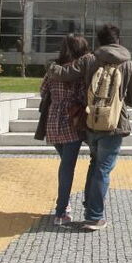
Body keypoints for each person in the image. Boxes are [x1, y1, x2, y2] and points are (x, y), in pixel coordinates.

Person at [50, 24, 132, 231]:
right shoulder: (128, 65)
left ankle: (90, 208)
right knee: (103, 169)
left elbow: (64, 73)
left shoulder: (89, 60)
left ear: (99, 41)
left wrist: (51, 66)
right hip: (114, 124)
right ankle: (94, 216)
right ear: (118, 40)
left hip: (91, 123)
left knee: (95, 164)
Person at [39, 34, 94, 226]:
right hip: (72, 121)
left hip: (53, 121)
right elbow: (83, 95)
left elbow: (43, 91)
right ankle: (61, 210)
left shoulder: (53, 70)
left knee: (65, 164)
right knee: (67, 167)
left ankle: (64, 205)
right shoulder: (78, 72)